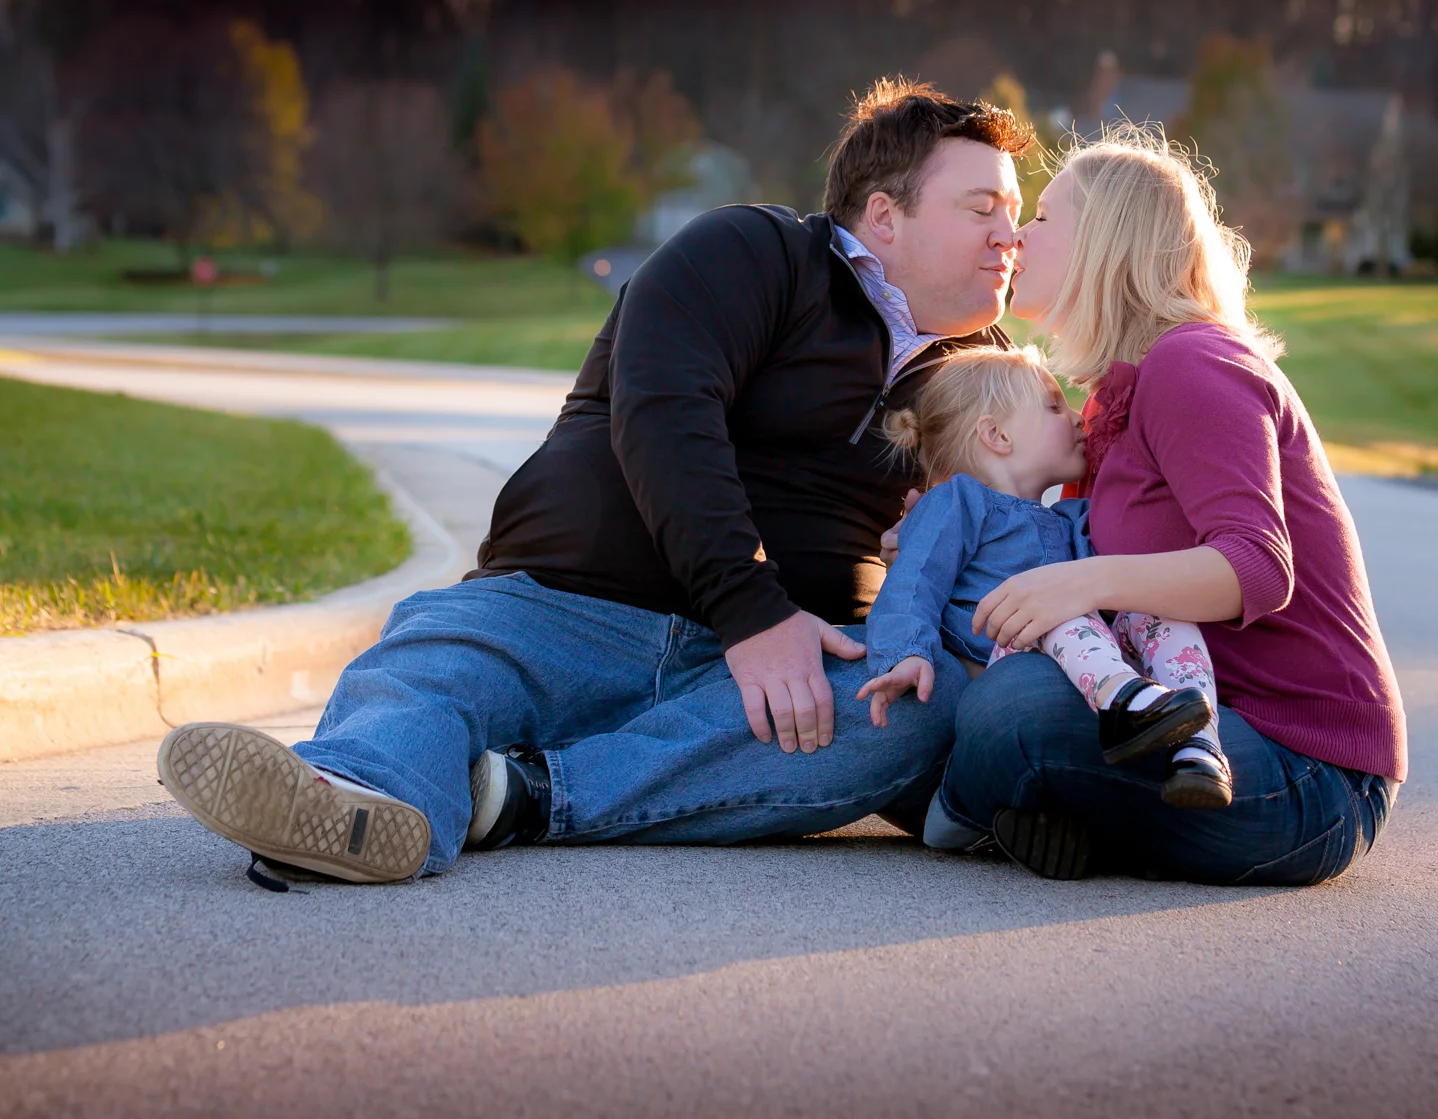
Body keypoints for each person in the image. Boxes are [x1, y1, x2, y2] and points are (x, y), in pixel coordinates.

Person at [157, 79, 1030, 883]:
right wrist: (753, 608)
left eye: (1017, 216)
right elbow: (665, 412)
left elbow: (1027, 537)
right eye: (981, 208)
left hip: (762, 686)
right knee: (435, 670)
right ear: (884, 216)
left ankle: (522, 796)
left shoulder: (987, 383)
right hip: (564, 607)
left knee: (921, 702)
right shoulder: (754, 252)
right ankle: (350, 802)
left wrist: (927, 553)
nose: (1009, 237)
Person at [922, 126, 1407, 885]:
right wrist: (930, 535)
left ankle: (975, 812)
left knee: (1008, 709)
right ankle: (1059, 817)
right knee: (966, 684)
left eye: (1044, 218)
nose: (1018, 235)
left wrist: (1083, 584)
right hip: (1190, 724)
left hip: (1306, 770)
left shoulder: (1192, 363)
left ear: (1105, 242)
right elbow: (1055, 549)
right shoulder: (1110, 402)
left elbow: (1255, 567)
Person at [856, 344, 1232, 810]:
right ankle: (1126, 706)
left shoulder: (1071, 517)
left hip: (1076, 658)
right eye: (1054, 406)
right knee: (1054, 610)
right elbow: (913, 580)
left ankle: (1198, 745)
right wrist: (904, 654)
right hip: (1005, 657)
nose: (1078, 418)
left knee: (1158, 614)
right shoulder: (959, 500)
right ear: (996, 435)